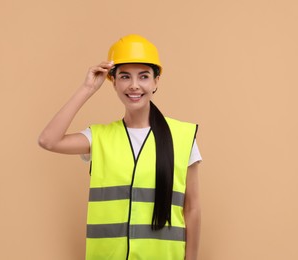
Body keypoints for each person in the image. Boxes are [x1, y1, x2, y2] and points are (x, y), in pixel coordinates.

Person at [38, 34, 201, 260]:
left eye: (143, 76)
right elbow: (48, 140)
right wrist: (87, 88)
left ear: (156, 81)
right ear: (113, 82)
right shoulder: (99, 137)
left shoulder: (183, 137)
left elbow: (191, 208)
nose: (134, 85)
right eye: (125, 77)